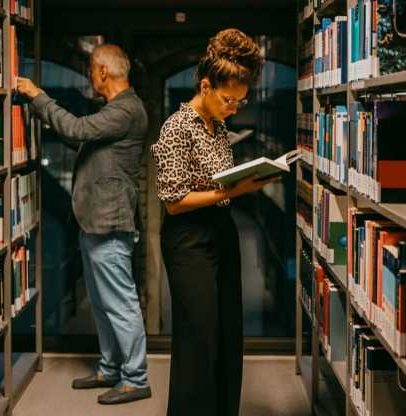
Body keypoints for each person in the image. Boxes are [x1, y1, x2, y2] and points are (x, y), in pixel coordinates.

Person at [16, 44, 151, 405]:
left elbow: (76, 130)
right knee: (103, 302)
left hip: (109, 222)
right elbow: (77, 135)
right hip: (95, 221)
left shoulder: (126, 110)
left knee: (119, 303)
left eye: (91, 70)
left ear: (103, 71)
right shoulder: (114, 110)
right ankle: (110, 367)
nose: (90, 77)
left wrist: (39, 98)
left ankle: (136, 377)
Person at [151, 29, 274, 415]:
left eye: (240, 101)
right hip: (188, 240)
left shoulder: (218, 127)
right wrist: (235, 192)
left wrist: (246, 180)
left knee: (225, 335)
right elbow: (173, 202)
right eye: (227, 99)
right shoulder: (176, 128)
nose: (233, 108)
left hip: (222, 232)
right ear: (205, 86)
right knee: (198, 339)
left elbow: (218, 179)